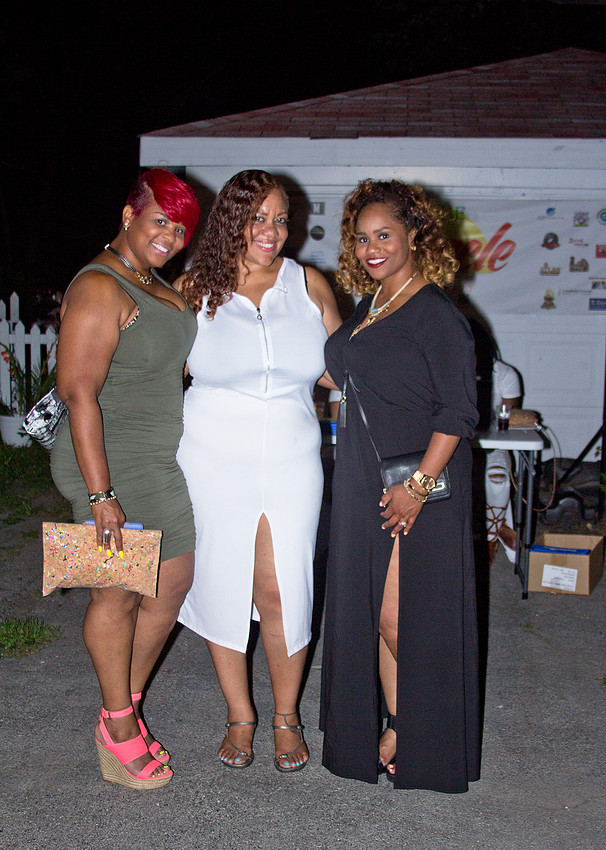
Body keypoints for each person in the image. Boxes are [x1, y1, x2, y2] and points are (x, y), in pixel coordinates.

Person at [176, 170, 341, 772]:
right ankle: (240, 713)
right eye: (257, 218)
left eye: (280, 219)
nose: (271, 231)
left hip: (293, 457)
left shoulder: (308, 284)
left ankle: (286, 715)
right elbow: (159, 371)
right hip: (212, 455)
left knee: (282, 586)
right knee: (223, 579)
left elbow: (340, 370)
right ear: (232, 221)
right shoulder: (194, 289)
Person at [320, 179, 481, 792]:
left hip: (416, 484)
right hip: (368, 479)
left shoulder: (435, 313)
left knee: (397, 618)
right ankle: (398, 725)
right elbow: (350, 375)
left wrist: (417, 485)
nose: (372, 249)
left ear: (415, 235)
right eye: (362, 239)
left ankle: (422, 730)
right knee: (378, 615)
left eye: (384, 235)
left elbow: (457, 413)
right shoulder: (374, 304)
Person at [51, 168, 200, 789]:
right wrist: (100, 495)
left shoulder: (152, 283)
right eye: (160, 220)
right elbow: (78, 393)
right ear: (128, 214)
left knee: (173, 579)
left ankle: (123, 705)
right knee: (116, 593)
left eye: (181, 228)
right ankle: (117, 729)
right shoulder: (98, 285)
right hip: (107, 462)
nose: (170, 236)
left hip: (155, 460)